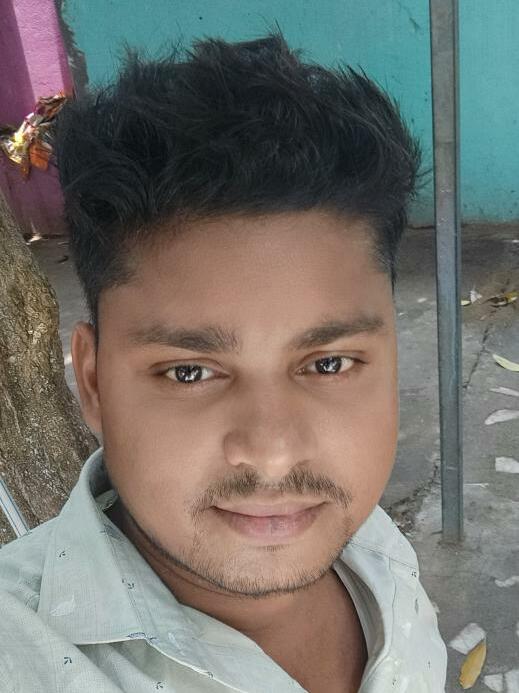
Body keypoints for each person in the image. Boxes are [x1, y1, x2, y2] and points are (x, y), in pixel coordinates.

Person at [0, 32, 447, 692]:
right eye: (189, 371)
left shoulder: (378, 551)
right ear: (92, 382)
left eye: (328, 364)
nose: (273, 454)